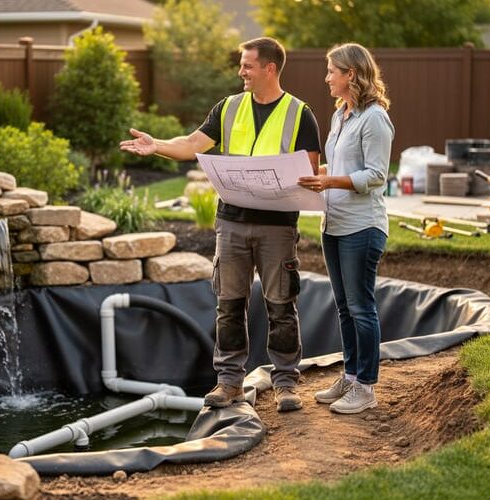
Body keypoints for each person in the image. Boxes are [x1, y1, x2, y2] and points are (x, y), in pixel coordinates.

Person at [120, 37, 321, 412]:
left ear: (269, 69)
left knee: (281, 305)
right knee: (228, 305)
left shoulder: (299, 113)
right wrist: (157, 144)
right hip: (231, 223)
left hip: (277, 227)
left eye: (246, 65)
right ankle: (229, 382)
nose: (240, 71)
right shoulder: (228, 108)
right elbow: (192, 143)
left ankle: (286, 384)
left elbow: (309, 170)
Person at [297, 43, 394, 414]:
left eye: (331, 71)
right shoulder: (341, 114)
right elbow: (336, 165)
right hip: (332, 224)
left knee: (361, 306)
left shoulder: (375, 118)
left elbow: (376, 175)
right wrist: (310, 176)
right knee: (343, 307)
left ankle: (366, 387)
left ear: (350, 74)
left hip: (361, 226)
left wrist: (329, 182)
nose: (326, 78)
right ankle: (351, 376)